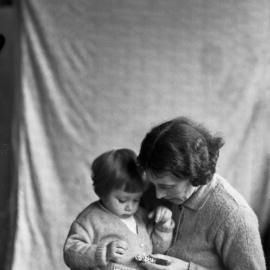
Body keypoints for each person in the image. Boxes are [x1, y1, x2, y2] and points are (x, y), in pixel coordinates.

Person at [137, 117, 266, 270]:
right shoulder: (152, 188)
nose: (158, 195)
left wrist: (187, 268)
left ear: (194, 175)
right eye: (154, 184)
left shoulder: (235, 215)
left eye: (167, 186)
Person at [63, 148, 175, 270]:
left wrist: (162, 228)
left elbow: (159, 250)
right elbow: (70, 252)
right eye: (122, 200)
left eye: (136, 200)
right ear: (102, 192)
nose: (130, 206)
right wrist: (102, 253)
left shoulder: (142, 216)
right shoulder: (90, 219)